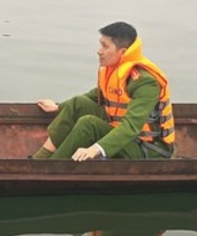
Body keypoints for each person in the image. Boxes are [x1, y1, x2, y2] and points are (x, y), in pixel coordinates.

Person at [33, 21, 176, 161]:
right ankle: (40, 159)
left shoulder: (145, 82)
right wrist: (58, 107)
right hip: (120, 131)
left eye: (105, 46)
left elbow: (131, 126)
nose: (99, 51)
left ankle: (49, 167)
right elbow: (96, 96)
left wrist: (95, 149)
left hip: (148, 148)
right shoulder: (114, 69)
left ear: (122, 52)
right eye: (100, 44)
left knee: (89, 124)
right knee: (78, 103)